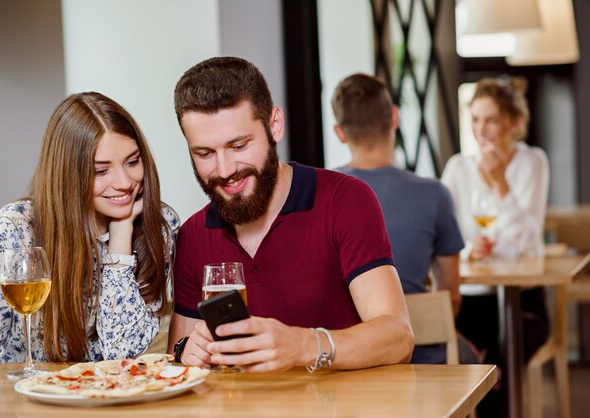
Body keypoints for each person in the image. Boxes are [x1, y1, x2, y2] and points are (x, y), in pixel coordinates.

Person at [167, 56, 414, 372]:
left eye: (239, 146)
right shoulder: (192, 236)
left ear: (274, 125)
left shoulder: (345, 200)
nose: (225, 170)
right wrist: (188, 351)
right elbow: (180, 357)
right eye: (204, 153)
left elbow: (398, 337)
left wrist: (304, 346)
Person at [0, 92, 179, 362]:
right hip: (29, 397)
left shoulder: (159, 227)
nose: (125, 182)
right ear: (68, 175)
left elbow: (123, 354)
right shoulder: (15, 229)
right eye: (101, 171)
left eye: (132, 162)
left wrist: (121, 232)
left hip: (112, 397)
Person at [331, 73, 464, 364]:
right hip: (425, 359)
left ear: (339, 132)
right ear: (394, 117)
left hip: (347, 364)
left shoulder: (322, 194)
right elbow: (450, 297)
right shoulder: (435, 195)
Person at [441, 77, 549, 416]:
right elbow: (444, 236)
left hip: (522, 301)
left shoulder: (533, 162)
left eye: (490, 119)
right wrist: (467, 249)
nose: (481, 129)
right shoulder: (458, 168)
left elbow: (529, 244)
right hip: (472, 303)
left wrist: (501, 181)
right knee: (474, 368)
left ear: (512, 122)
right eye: (475, 119)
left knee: (497, 372)